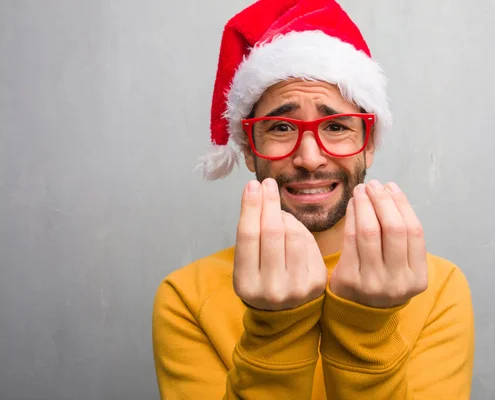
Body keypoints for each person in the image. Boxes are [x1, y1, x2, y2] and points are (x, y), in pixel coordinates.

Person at [152, 0, 475, 398]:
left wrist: (367, 331)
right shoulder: (186, 298)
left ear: (368, 143)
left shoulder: (437, 288)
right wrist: (275, 332)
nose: (309, 158)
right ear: (250, 149)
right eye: (282, 127)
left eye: (337, 126)